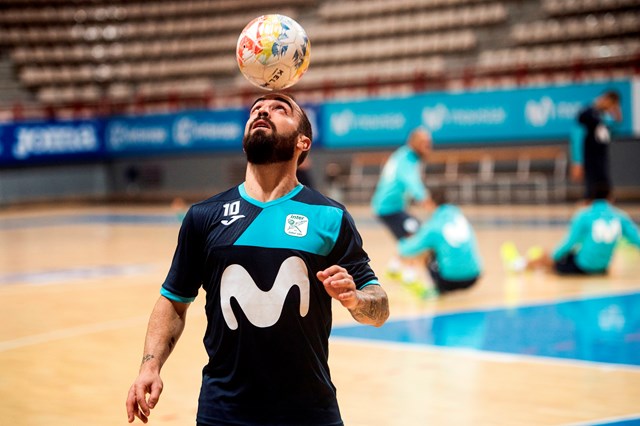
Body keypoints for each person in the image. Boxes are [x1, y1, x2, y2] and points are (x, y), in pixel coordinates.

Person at [125, 93, 389, 426]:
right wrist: (150, 366)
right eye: (256, 109)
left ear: (303, 142)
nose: (263, 110)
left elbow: (379, 307)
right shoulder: (203, 217)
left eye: (281, 109)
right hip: (224, 412)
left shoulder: (330, 217)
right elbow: (175, 300)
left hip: (309, 412)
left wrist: (355, 299)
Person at [502, 185, 640, 275]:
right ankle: (531, 265)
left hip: (583, 266)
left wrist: (552, 258)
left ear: (589, 199)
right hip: (603, 268)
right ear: (611, 198)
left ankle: (519, 264)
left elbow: (568, 243)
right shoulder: (621, 216)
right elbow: (636, 239)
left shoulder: (585, 215)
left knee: (546, 256)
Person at [370, 127, 433, 282]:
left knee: (410, 235)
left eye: (429, 143)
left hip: (391, 207)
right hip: (389, 208)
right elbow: (411, 180)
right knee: (415, 236)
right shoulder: (407, 159)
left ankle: (394, 267)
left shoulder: (403, 155)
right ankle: (409, 278)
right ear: (414, 143)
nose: (428, 147)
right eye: (424, 143)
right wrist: (425, 199)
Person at [398, 188, 482, 296]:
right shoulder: (459, 217)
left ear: (431, 203)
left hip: (450, 281)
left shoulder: (433, 225)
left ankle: (424, 284)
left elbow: (407, 249)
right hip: (474, 276)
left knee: (425, 250)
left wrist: (402, 244)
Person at [569, 90, 622, 198]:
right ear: (605, 100)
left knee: (605, 188)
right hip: (590, 158)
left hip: (601, 158)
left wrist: (616, 119)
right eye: (611, 104)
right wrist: (577, 161)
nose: (611, 108)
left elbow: (608, 134)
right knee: (591, 190)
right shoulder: (587, 113)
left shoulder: (604, 116)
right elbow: (576, 137)